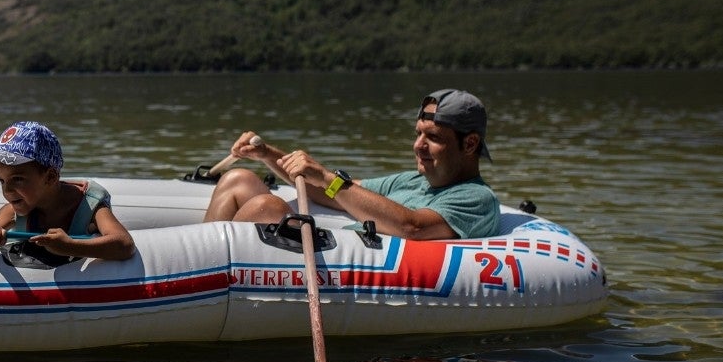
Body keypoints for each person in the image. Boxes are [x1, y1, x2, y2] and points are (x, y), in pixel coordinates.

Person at [203, 89, 500, 240]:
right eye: (418, 134)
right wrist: (268, 154)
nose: (418, 145)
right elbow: (330, 192)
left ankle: (201, 272)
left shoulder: (476, 198)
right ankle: (194, 260)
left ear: (470, 144)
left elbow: (413, 227)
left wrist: (326, 176)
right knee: (239, 179)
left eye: (432, 137)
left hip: (338, 268)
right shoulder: (411, 181)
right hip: (329, 254)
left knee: (267, 207)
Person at [0, 121, 135, 261]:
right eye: (1, 180)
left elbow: (125, 244)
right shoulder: (13, 210)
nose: (7, 190)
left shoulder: (89, 203)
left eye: (17, 179)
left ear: (50, 177)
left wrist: (71, 247)